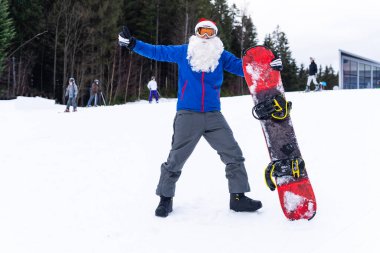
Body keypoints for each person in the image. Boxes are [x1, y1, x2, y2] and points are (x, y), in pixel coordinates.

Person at [118, 18, 283, 218]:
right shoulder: (184, 52)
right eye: (201, 31)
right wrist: (133, 44)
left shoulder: (221, 56)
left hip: (213, 115)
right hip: (188, 114)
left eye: (210, 32)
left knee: (233, 154)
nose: (205, 36)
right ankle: (165, 199)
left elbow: (244, 68)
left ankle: (238, 197)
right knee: (176, 158)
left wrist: (268, 66)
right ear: (196, 33)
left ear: (215, 35)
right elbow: (157, 51)